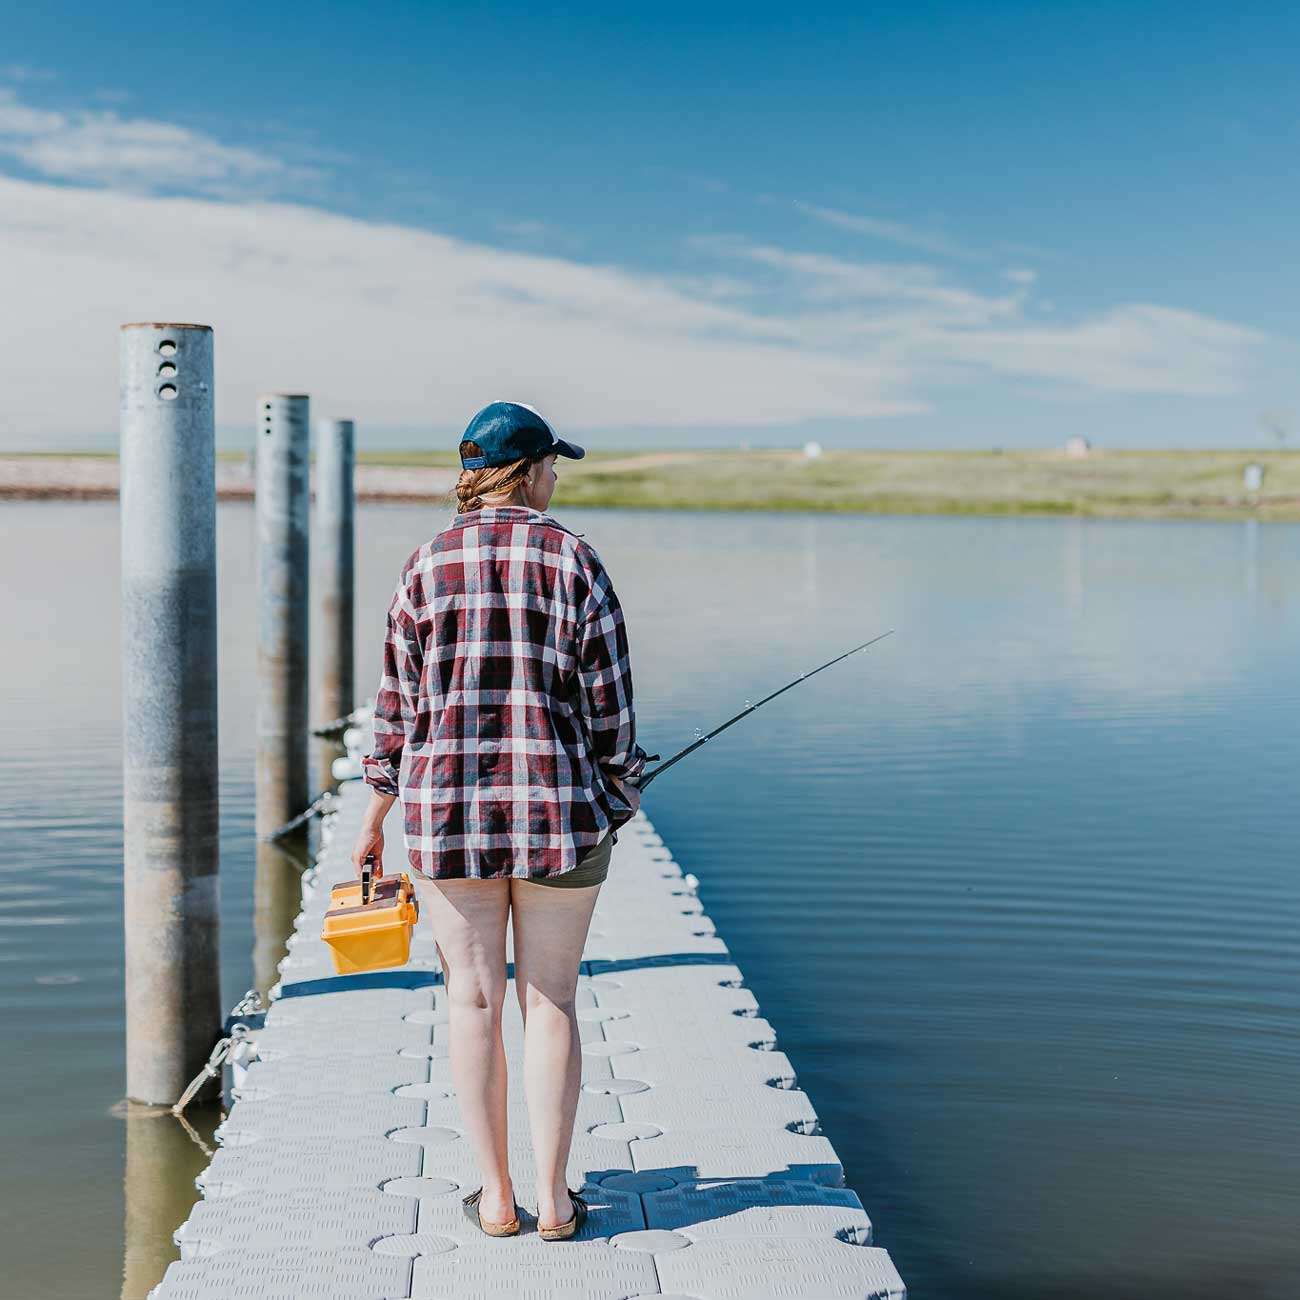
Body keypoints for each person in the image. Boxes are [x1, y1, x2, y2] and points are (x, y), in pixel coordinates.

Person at [350, 400, 651, 1241]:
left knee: (472, 1002)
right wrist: (618, 797)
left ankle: (495, 1199)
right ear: (530, 470)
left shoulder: (423, 564)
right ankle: (556, 1201)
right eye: (554, 464)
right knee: (549, 998)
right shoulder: (576, 560)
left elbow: (396, 708)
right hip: (561, 817)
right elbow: (613, 714)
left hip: (447, 820)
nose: (558, 478)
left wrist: (378, 808)